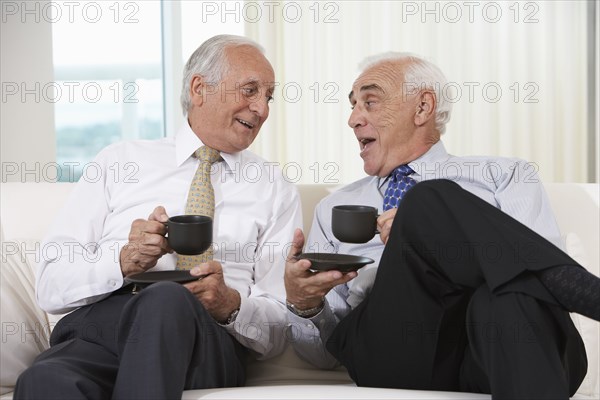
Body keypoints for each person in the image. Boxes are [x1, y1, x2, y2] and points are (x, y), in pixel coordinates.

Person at [284, 52, 599, 399]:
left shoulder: (505, 175)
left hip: (500, 343)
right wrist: (305, 305)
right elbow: (323, 353)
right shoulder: (334, 208)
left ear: (422, 108)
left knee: (508, 295)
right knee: (424, 202)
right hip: (398, 352)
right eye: (353, 105)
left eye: (370, 102)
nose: (353, 119)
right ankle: (587, 292)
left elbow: (533, 293)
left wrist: (426, 227)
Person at [15, 34, 302, 399]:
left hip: (203, 340)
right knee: (43, 382)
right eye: (250, 90)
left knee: (167, 299)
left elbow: (279, 328)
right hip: (104, 328)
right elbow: (50, 285)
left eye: (268, 96)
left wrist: (228, 304)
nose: (262, 108)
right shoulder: (120, 160)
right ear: (200, 88)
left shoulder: (274, 187)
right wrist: (122, 260)